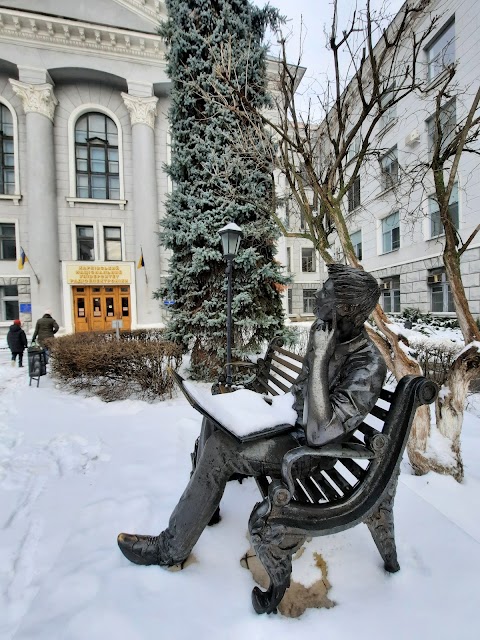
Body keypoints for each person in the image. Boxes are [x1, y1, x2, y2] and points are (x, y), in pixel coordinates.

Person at [117, 264, 387, 568]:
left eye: (328, 290)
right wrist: (266, 408)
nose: (319, 292)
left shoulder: (368, 365)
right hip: (291, 426)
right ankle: (205, 507)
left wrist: (322, 360)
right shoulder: (324, 331)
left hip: (311, 453)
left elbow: (319, 435)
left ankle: (170, 547)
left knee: (220, 449)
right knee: (215, 417)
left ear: (346, 308)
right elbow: (300, 390)